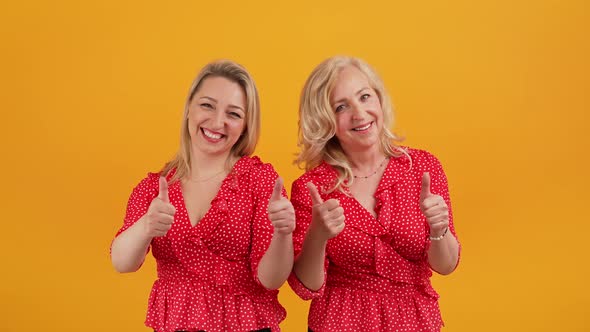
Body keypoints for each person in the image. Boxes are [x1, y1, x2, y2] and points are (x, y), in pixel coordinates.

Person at [111, 60, 295, 332]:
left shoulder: (259, 180)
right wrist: (147, 226)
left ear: (245, 125)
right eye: (207, 105)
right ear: (188, 109)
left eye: (233, 114)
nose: (217, 122)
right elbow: (122, 263)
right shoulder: (155, 187)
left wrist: (283, 233)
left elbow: (271, 279)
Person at [288, 56, 461, 331]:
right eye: (341, 106)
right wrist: (317, 236)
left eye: (365, 97)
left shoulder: (423, 168)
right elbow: (306, 287)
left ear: (379, 100)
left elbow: (446, 265)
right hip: (339, 323)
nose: (359, 113)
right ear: (325, 120)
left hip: (414, 322)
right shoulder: (312, 187)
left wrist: (440, 229)